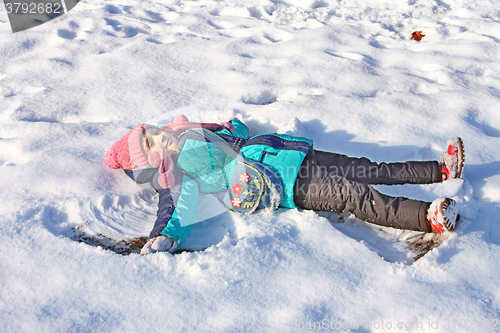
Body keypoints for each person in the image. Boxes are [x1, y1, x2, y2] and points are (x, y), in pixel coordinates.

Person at [105, 115, 464, 255]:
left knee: (367, 168)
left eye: (151, 133)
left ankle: (439, 170)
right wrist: (165, 235)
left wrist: (229, 126)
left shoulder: (198, 133)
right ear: (148, 161)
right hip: (284, 185)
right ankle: (426, 217)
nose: (156, 139)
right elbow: (176, 206)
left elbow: (239, 133)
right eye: (148, 144)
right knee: (356, 195)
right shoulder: (176, 172)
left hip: (292, 156)